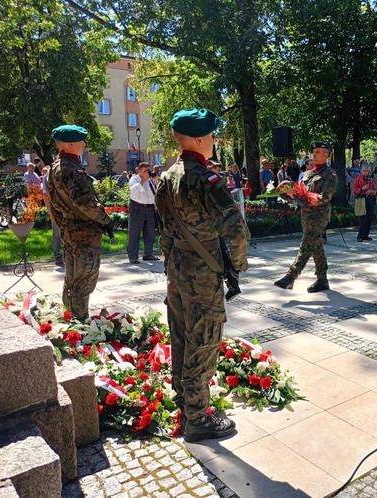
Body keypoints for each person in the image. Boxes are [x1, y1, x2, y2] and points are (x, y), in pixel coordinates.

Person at [155, 108, 249, 442]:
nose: (214, 141)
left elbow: (164, 232)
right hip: (203, 274)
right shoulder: (207, 180)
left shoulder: (166, 179)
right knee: (205, 339)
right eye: (211, 135)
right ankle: (197, 418)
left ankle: (184, 402)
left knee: (181, 336)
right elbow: (237, 231)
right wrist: (238, 265)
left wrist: (172, 267)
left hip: (176, 271)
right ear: (198, 139)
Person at [46, 125, 112, 321]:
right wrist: (106, 221)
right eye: (81, 141)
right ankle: (80, 323)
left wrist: (64, 225)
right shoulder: (72, 170)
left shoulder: (53, 168)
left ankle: (69, 317)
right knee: (84, 279)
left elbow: (54, 205)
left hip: (70, 231)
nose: (84, 144)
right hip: (85, 233)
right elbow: (86, 203)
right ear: (70, 144)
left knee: (72, 278)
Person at [274, 141, 337, 292]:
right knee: (316, 247)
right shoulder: (307, 174)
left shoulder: (330, 174)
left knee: (307, 245)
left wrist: (299, 198)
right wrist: (285, 193)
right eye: (313, 151)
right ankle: (322, 280)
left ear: (326, 155)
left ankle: (291, 277)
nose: (314, 154)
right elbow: (298, 195)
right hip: (306, 216)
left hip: (319, 216)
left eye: (318, 152)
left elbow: (323, 198)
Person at [127, 162, 159, 263]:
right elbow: (134, 192)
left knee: (150, 233)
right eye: (145, 171)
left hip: (149, 208)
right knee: (134, 233)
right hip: (137, 207)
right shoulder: (134, 179)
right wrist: (143, 181)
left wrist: (156, 182)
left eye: (148, 171)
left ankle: (148, 254)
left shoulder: (150, 180)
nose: (147, 173)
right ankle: (133, 256)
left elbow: (153, 194)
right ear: (139, 170)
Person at [41, 165, 63, 266]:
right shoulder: (47, 178)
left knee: (58, 235)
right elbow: (45, 196)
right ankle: (60, 257)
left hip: (58, 211)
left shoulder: (47, 177)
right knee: (59, 235)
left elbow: (45, 196)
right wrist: (51, 214)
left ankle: (59, 257)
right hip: (59, 211)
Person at [353, 164, 377, 242]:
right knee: (362, 219)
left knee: (369, 218)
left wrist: (371, 191)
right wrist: (362, 189)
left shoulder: (370, 180)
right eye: (364, 171)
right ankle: (360, 236)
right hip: (361, 199)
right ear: (361, 171)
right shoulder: (358, 179)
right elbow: (354, 190)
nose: (366, 172)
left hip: (369, 199)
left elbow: (375, 191)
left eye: (367, 171)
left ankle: (366, 235)